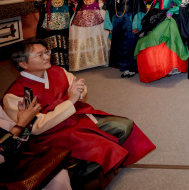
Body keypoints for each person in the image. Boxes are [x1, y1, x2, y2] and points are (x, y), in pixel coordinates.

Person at [3, 40, 155, 186]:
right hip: (51, 137)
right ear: (23, 64)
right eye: (40, 55)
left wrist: (78, 92)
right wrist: (71, 101)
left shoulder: (57, 70)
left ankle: (88, 166)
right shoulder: (15, 95)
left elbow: (78, 88)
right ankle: (78, 175)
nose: (47, 57)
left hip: (76, 118)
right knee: (106, 147)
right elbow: (37, 127)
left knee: (125, 126)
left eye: (46, 52)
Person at [0, 99, 72, 190]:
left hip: (15, 159)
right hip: (7, 173)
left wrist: (26, 123)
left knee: (59, 176)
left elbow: (15, 140)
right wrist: (21, 124)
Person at [135, 0, 189, 83]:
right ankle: (155, 67)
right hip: (153, 18)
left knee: (164, 41)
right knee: (149, 40)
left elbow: (182, 5)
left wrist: (171, 10)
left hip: (166, 19)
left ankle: (169, 66)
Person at [104, 0, 142, 78]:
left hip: (129, 23)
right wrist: (110, 26)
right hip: (117, 23)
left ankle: (132, 68)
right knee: (119, 45)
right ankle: (124, 66)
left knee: (130, 45)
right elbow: (108, 11)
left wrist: (136, 25)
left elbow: (138, 10)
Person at [69, 0, 109, 72]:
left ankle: (98, 60)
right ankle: (84, 62)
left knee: (95, 35)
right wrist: (78, 6)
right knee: (82, 36)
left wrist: (100, 6)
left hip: (96, 16)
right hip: (81, 16)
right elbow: (73, 0)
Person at [34, 0, 75, 70]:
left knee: (64, 41)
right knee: (52, 42)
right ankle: (54, 63)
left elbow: (76, 2)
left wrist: (70, 5)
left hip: (64, 20)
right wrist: (44, 5)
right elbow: (36, 2)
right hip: (50, 21)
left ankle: (66, 63)